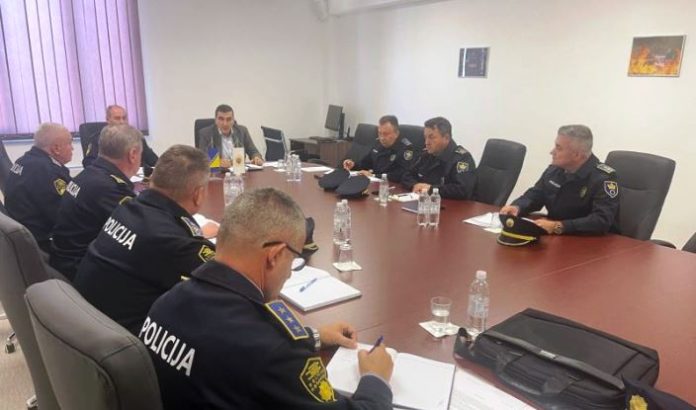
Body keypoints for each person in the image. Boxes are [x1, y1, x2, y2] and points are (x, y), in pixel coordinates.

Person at [141, 188, 393, 409]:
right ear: (275, 256)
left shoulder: (165, 304)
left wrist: (315, 337)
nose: (289, 272)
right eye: (292, 259)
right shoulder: (272, 351)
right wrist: (376, 380)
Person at [74, 145, 218, 334]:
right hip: (125, 338)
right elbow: (226, 280)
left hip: (88, 321)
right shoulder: (174, 241)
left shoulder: (127, 208)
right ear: (198, 195)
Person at [51, 124, 142, 280]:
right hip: (82, 270)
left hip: (65, 259)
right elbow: (140, 234)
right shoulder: (110, 188)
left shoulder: (89, 174)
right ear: (133, 154)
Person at [500, 124, 619, 235]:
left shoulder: (603, 178)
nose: (552, 152)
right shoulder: (555, 170)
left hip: (591, 242)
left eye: (558, 148)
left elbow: (601, 220)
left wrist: (559, 226)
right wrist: (517, 207)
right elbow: (536, 195)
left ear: (577, 155)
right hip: (558, 236)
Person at [4, 123, 73, 252]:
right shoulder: (48, 172)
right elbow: (64, 217)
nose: (72, 148)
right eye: (70, 143)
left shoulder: (23, 161)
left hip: (24, 237)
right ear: (56, 148)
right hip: (43, 243)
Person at [401, 116, 477, 199]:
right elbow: (406, 175)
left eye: (431, 137)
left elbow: (463, 189)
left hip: (451, 205)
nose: (426, 142)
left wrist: (431, 189)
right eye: (425, 137)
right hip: (425, 202)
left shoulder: (462, 159)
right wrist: (415, 185)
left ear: (446, 138)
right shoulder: (426, 155)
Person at [342, 115, 417, 182]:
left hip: (392, 186)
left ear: (396, 134)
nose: (382, 138)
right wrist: (353, 165)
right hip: (375, 183)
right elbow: (366, 163)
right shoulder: (378, 143)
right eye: (380, 133)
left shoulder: (406, 149)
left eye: (386, 134)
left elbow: (401, 174)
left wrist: (374, 176)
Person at [82, 104, 158, 168]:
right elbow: (88, 163)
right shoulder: (99, 139)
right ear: (108, 120)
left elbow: (154, 160)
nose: (122, 122)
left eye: (124, 118)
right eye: (117, 118)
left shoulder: (136, 137)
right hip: (111, 176)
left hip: (137, 176)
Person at [197, 104, 264, 166]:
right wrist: (218, 162)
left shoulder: (242, 131)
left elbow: (253, 151)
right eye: (221, 119)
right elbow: (202, 159)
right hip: (217, 172)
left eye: (228, 119)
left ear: (233, 120)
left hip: (239, 171)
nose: (225, 123)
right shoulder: (206, 133)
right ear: (216, 120)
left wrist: (256, 157)